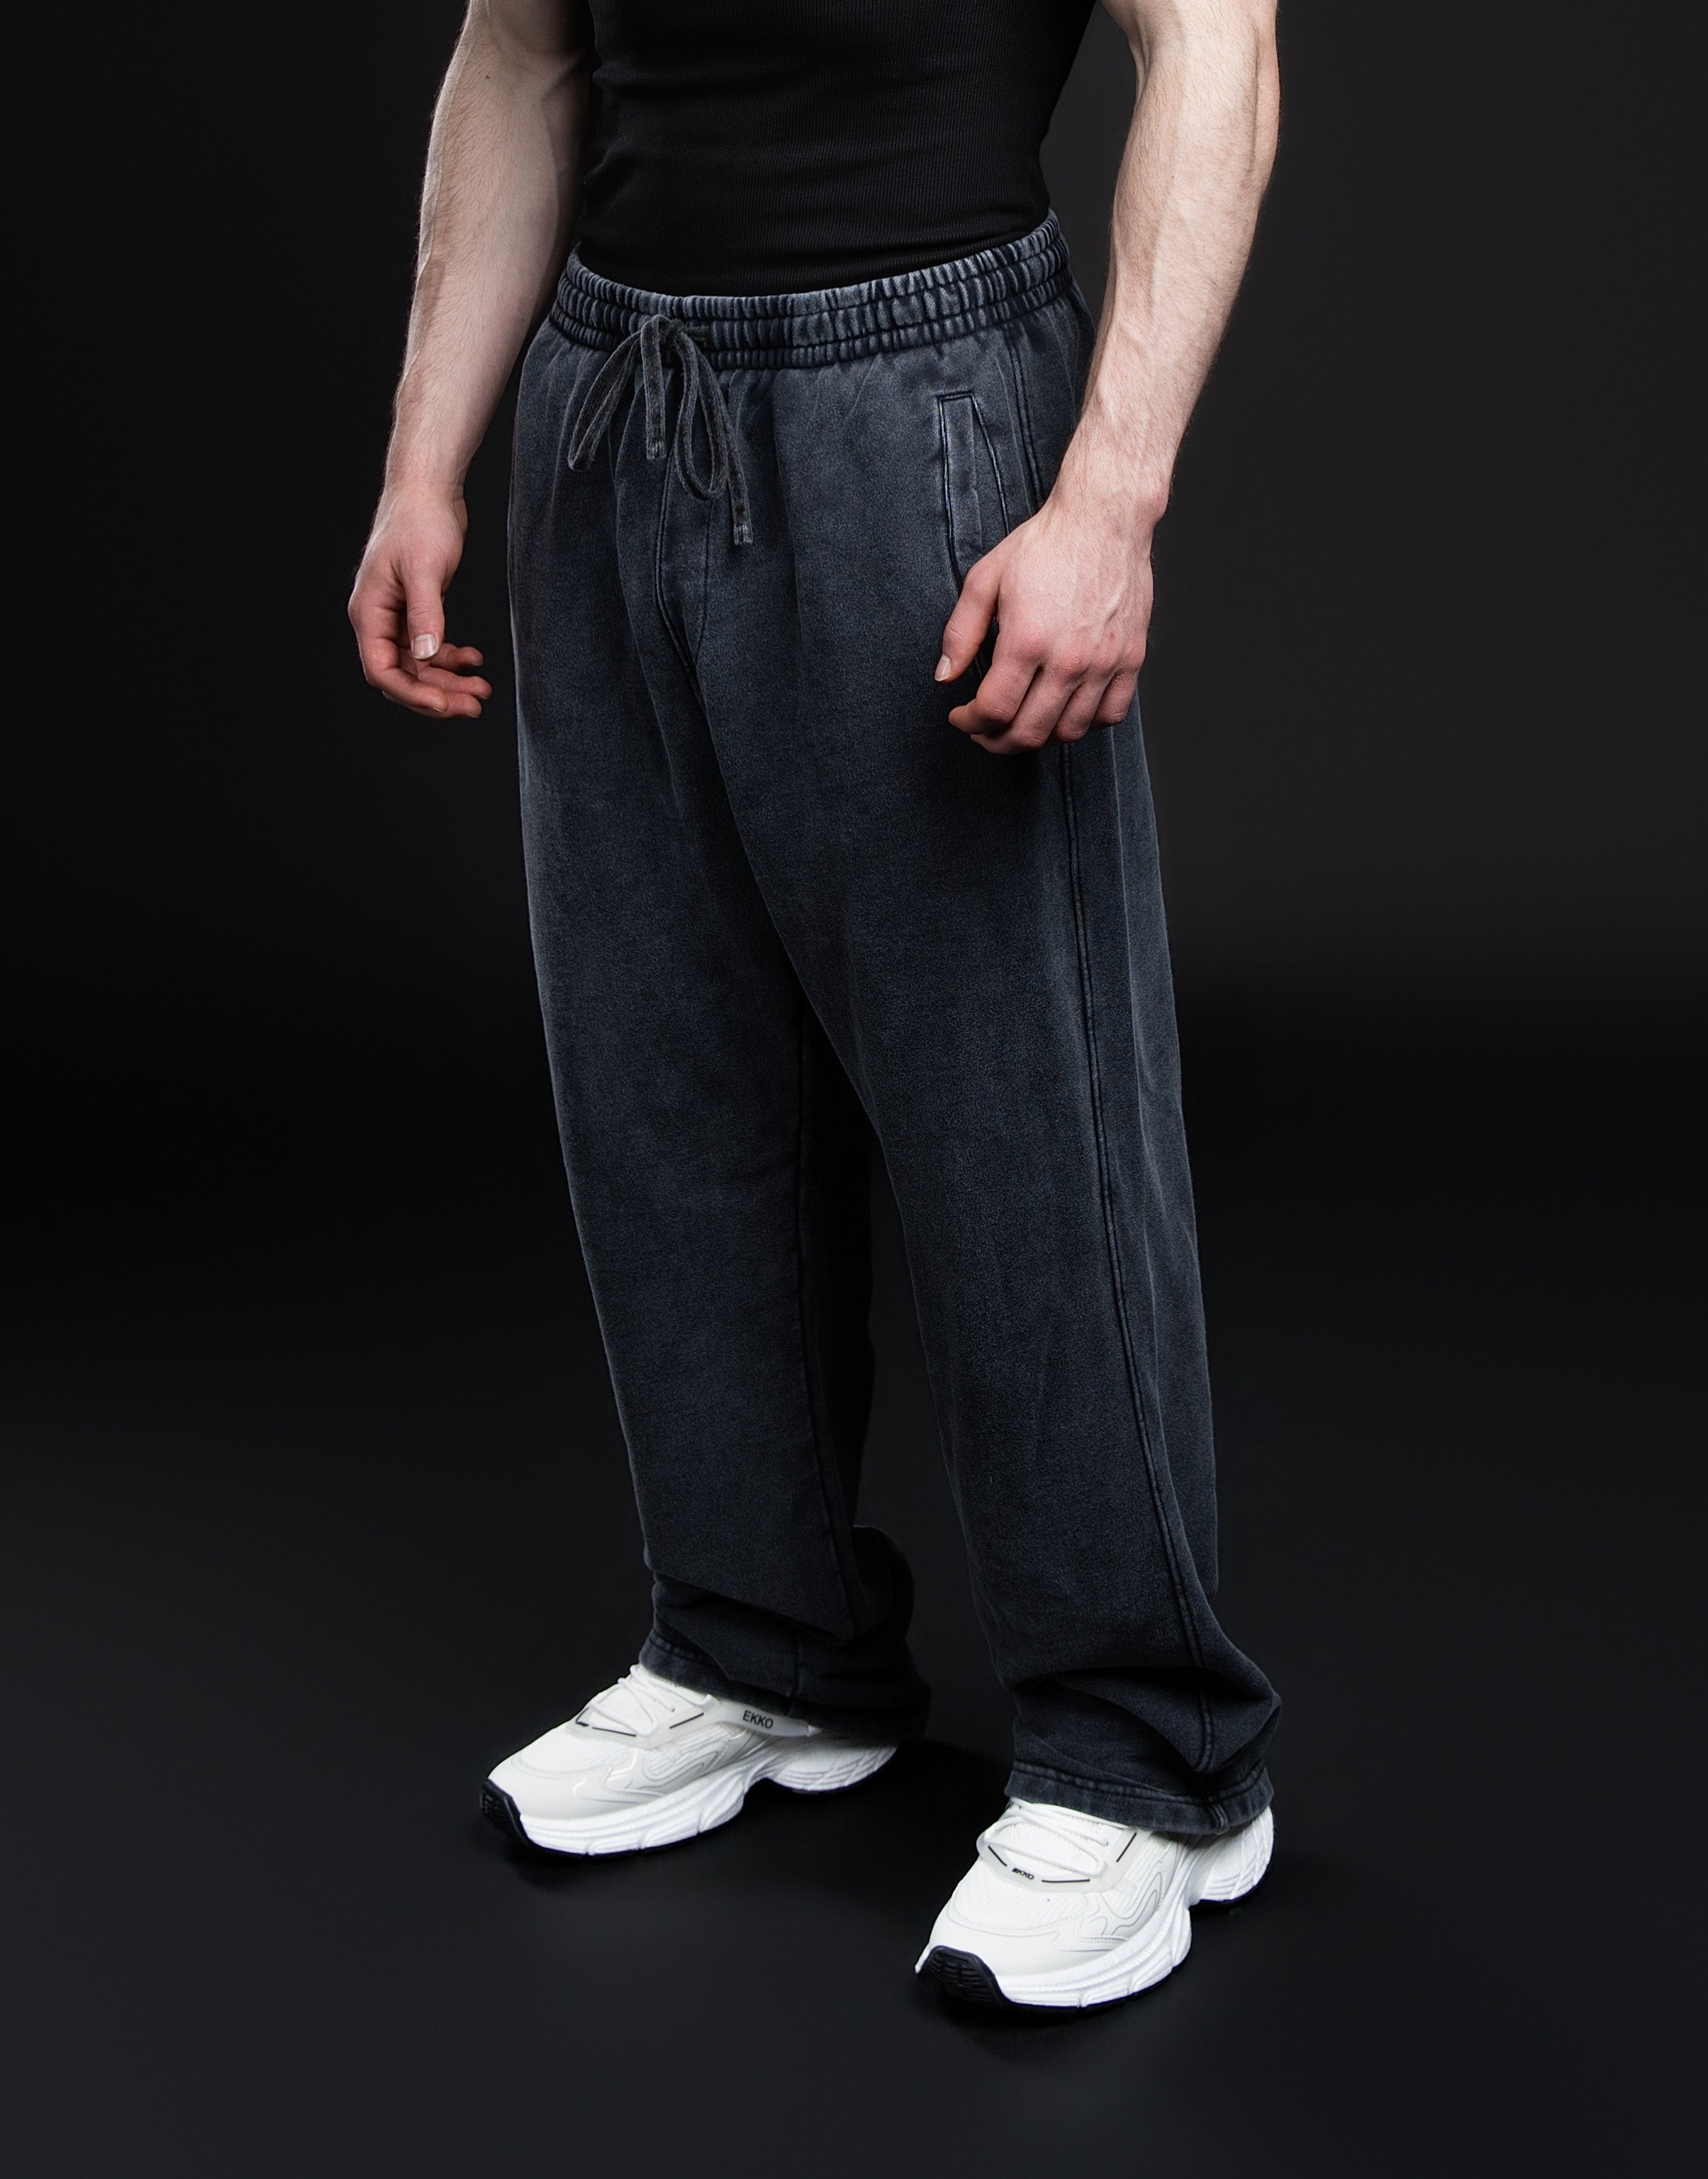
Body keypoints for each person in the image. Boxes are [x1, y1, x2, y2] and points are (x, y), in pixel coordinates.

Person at [350, 0, 1282, 2011]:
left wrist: (1107, 501)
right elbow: (521, 51)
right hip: (612, 398)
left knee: (1014, 1106)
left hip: (918, 394)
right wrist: (425, 453)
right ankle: (761, 1644)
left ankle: (1151, 1754)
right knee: (664, 1076)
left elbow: (1217, 45)